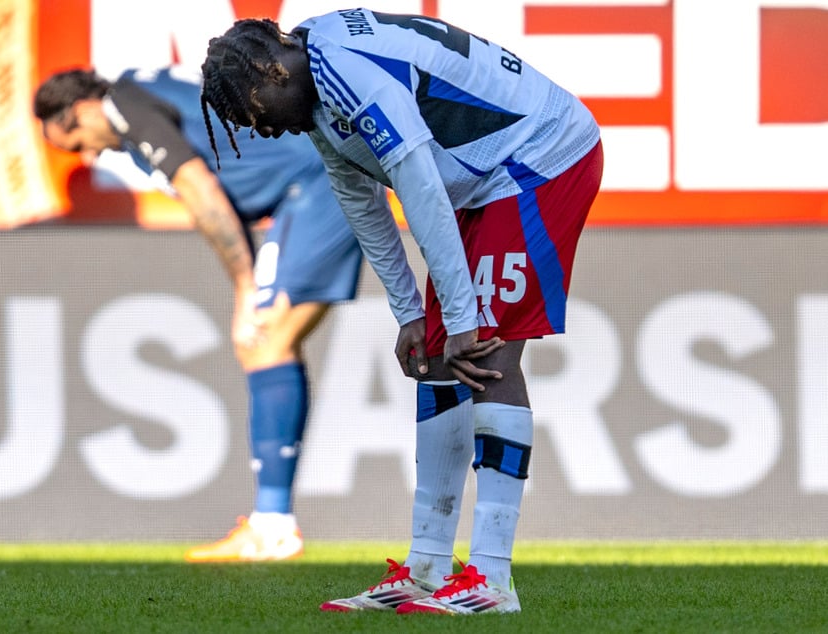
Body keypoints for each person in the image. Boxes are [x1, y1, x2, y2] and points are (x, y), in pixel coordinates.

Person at [200, 9, 603, 614]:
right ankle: (427, 568)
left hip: (537, 157)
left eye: (254, 111)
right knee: (442, 357)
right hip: (479, 179)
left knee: (484, 350)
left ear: (271, 72)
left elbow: (415, 183)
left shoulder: (343, 68)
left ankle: (492, 579)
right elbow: (360, 201)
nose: (262, 129)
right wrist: (410, 311)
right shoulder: (313, 85)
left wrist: (463, 318)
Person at [33, 66, 362, 561]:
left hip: (318, 187)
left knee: (262, 338)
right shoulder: (141, 92)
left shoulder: (124, 107)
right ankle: (270, 521)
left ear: (81, 109)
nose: (90, 155)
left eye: (77, 141)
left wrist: (244, 287)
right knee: (264, 343)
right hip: (315, 185)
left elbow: (202, 193)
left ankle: (273, 527)